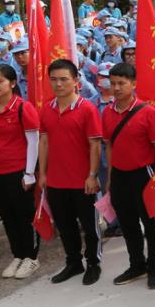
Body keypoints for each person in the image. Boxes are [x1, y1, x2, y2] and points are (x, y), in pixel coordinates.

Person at [101, 63, 155, 289]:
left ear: (133, 84)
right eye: (113, 84)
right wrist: (110, 176)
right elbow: (109, 145)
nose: (117, 88)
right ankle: (136, 264)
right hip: (120, 175)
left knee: (151, 224)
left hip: (145, 174)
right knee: (128, 224)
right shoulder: (107, 112)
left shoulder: (148, 112)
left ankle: (154, 266)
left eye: (122, 83)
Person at [39, 59, 103, 286]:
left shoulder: (87, 109)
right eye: (54, 79)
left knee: (89, 225)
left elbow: (95, 145)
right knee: (65, 225)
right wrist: (43, 173)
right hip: (56, 179)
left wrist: (92, 174)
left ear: (76, 81)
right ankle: (73, 262)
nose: (58, 84)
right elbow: (44, 141)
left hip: (82, 180)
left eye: (64, 79)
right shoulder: (46, 109)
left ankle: (94, 263)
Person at [0, 64, 41, 280]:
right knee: (7, 215)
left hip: (18, 171)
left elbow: (33, 142)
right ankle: (18, 254)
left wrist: (30, 173)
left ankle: (31, 257)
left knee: (24, 215)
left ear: (12, 83)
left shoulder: (23, 108)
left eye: (0, 81)